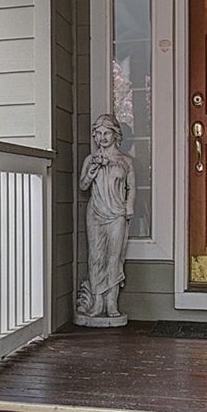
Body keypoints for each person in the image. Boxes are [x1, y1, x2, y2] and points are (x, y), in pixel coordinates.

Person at [78, 112, 135, 323]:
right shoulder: (90, 160)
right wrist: (92, 170)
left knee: (114, 257)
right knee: (96, 257)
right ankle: (97, 303)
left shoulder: (125, 161)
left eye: (106, 133)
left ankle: (111, 303)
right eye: (98, 133)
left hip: (117, 213)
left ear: (115, 135)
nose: (101, 138)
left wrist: (129, 207)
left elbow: (132, 189)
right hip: (96, 213)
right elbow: (83, 185)